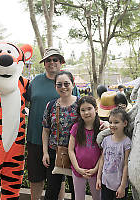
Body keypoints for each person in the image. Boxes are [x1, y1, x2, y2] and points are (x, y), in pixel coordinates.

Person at [26, 49, 80, 200]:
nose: (52, 63)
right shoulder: (35, 81)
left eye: (55, 59)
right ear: (44, 63)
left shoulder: (69, 84)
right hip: (35, 138)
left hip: (62, 143)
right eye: (48, 60)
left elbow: (81, 109)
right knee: (35, 177)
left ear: (61, 62)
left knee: (58, 176)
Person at [68, 96, 102, 200]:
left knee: (97, 197)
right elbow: (70, 150)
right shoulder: (76, 127)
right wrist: (78, 169)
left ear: (96, 109)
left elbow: (103, 153)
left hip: (96, 172)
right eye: (83, 110)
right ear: (79, 112)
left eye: (89, 109)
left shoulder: (101, 128)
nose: (86, 112)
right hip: (78, 171)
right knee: (79, 197)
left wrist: (96, 169)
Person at [96, 108, 132, 200]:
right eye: (110, 122)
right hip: (105, 183)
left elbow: (126, 165)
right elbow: (102, 159)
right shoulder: (106, 140)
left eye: (116, 122)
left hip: (119, 186)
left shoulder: (127, 142)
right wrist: (98, 178)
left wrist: (122, 186)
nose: (112, 125)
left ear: (125, 123)